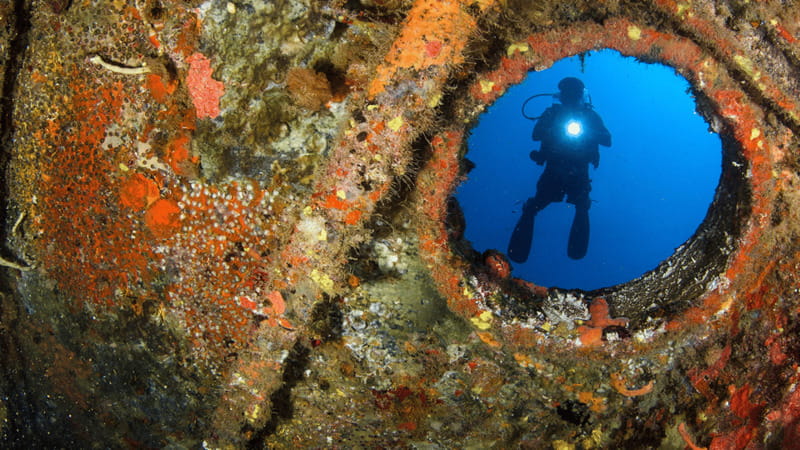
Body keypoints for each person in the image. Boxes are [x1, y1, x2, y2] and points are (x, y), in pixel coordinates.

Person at [508, 77, 611, 262]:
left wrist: (587, 132)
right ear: (561, 96)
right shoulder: (552, 113)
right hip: (554, 168)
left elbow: (607, 139)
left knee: (581, 204)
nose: (571, 97)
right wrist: (555, 129)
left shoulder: (590, 116)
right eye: (568, 93)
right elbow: (535, 134)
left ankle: (573, 218)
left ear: (581, 95)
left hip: (578, 170)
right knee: (537, 204)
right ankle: (529, 214)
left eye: (575, 93)